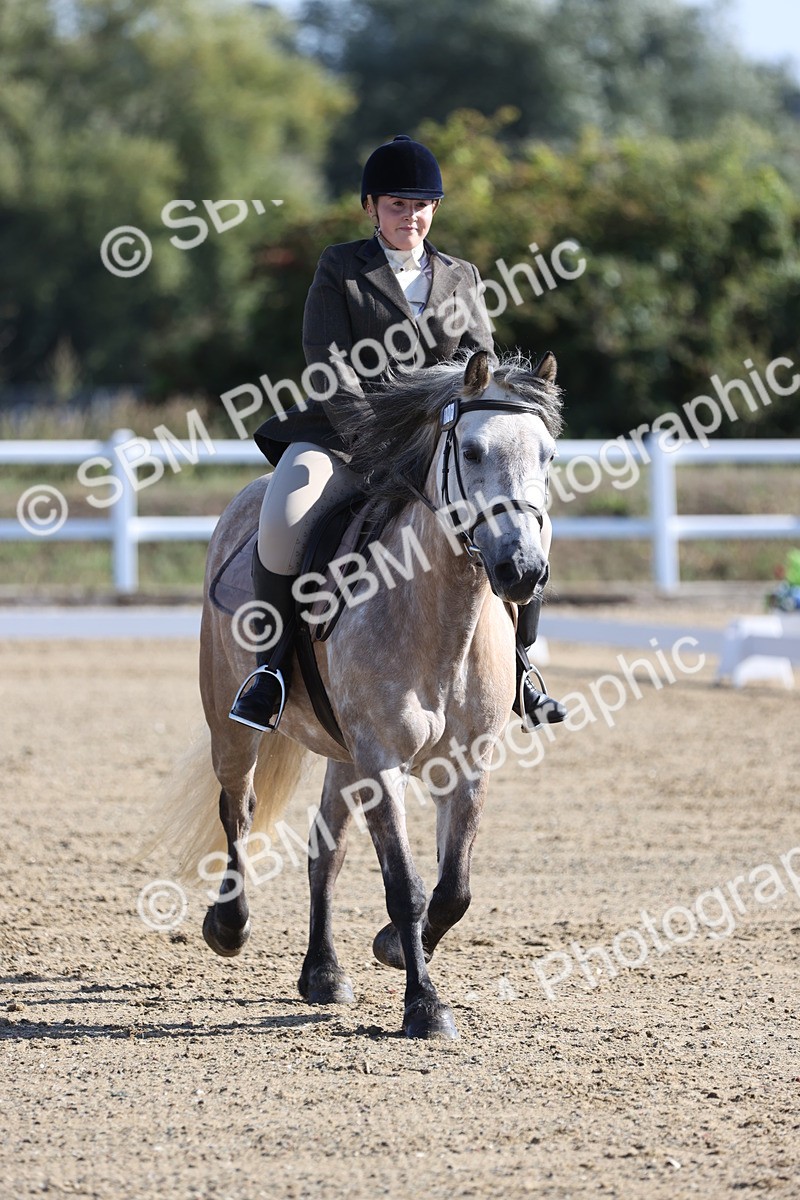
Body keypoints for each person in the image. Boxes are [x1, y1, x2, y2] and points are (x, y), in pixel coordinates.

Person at [229, 134, 566, 733]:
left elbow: (479, 370)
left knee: (526, 520)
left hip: (436, 446)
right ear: (371, 207)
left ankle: (520, 666)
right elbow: (328, 365)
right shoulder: (341, 267)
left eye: (421, 206)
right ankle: (271, 671)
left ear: (434, 209)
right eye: (396, 205)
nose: (410, 217)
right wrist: (375, 441)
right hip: (343, 437)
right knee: (286, 510)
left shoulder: (460, 276)